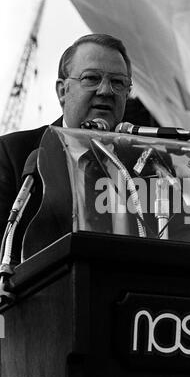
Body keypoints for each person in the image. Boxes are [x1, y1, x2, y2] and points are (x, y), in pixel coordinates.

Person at [0, 33, 133, 264]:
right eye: (91, 78)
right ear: (62, 91)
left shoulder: (150, 165)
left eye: (117, 82)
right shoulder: (14, 154)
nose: (105, 91)